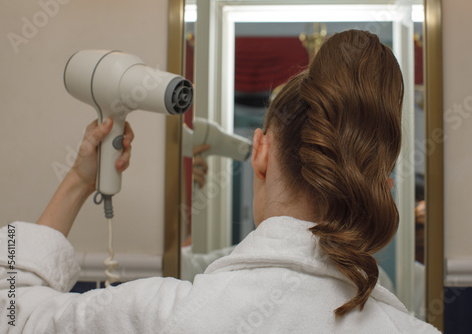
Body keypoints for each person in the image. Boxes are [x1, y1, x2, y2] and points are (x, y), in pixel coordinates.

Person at [0, 30, 439, 333]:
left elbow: (11, 310)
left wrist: (79, 179)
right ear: (383, 182)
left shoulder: (160, 316)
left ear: (261, 152)